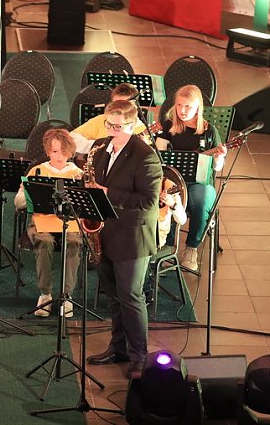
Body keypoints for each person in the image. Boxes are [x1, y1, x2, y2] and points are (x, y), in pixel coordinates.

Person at [85, 100, 162, 378]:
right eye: (109, 124)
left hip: (132, 236)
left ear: (132, 126)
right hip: (106, 232)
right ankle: (118, 347)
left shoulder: (146, 157)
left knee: (131, 296)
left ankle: (139, 355)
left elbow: (149, 201)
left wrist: (106, 193)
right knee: (113, 296)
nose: (112, 130)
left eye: (118, 127)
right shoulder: (102, 150)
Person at [155, 84, 226, 271]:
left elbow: (217, 168)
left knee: (203, 201)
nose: (183, 111)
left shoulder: (209, 132)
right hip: (171, 181)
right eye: (179, 105)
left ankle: (191, 248)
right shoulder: (169, 126)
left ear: (198, 108)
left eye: (188, 106)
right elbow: (159, 157)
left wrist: (219, 158)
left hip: (198, 183)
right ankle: (166, 245)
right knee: (159, 195)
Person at [14, 128, 83, 318]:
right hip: (41, 222)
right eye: (54, 152)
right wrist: (29, 194)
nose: (59, 156)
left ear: (70, 152)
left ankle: (67, 296)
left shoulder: (78, 174)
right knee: (44, 242)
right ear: (47, 151)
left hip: (70, 224)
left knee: (74, 243)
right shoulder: (37, 171)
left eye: (63, 151)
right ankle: (45, 295)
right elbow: (18, 201)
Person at [70, 83, 148, 155]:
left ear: (135, 106)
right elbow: (71, 138)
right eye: (115, 104)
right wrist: (94, 146)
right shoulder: (101, 120)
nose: (118, 109)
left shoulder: (142, 129)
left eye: (124, 105)